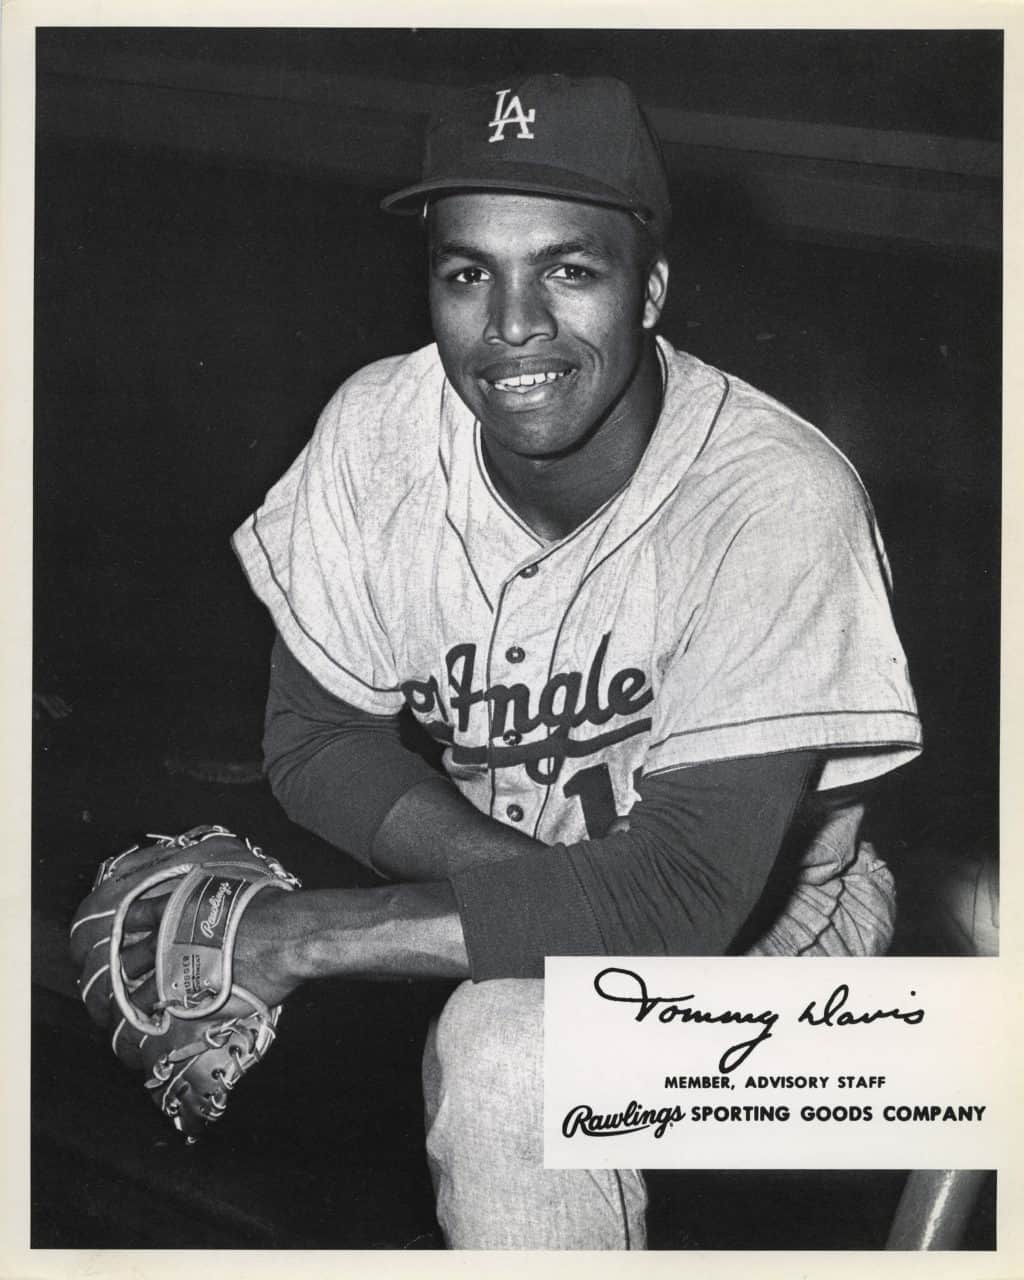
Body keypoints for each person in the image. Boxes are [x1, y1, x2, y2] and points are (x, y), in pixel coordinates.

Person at [223, 74, 921, 1249]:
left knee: (506, 1049)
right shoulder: (377, 430)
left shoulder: (775, 499)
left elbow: (676, 901)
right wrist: (535, 898)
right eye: (466, 272)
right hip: (580, 916)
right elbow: (316, 736)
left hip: (786, 984)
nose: (511, 325)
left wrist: (307, 934)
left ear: (649, 287)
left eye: (566, 267)